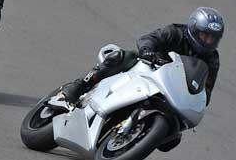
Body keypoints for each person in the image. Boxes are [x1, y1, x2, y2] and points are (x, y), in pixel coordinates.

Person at [61, 7, 224, 107]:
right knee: (123, 56)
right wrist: (148, 52)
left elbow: (206, 91)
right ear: (195, 29)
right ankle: (82, 84)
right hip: (148, 67)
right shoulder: (175, 32)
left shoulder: (212, 60)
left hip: (171, 89)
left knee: (174, 136)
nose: (208, 41)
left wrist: (198, 100)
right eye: (205, 36)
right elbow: (149, 39)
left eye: (213, 38)